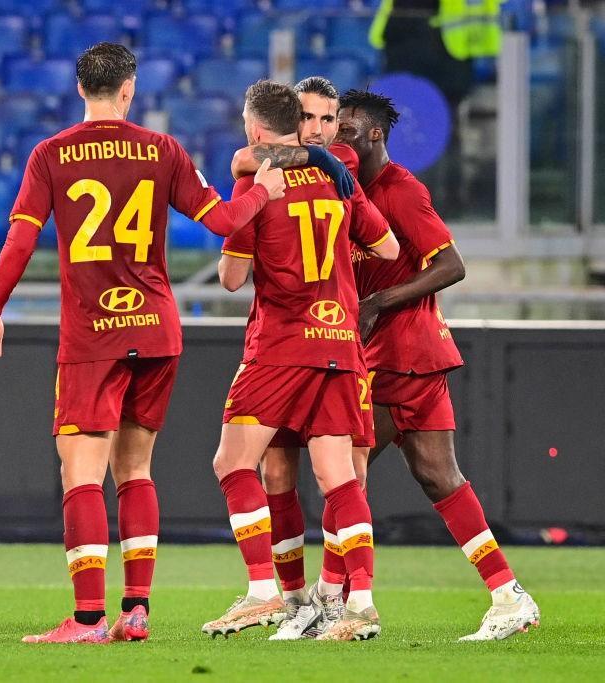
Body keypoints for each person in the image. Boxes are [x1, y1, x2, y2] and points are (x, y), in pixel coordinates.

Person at [0, 42, 290, 644]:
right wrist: (260, 193)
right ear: (128, 91)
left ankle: (89, 618)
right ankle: (136, 610)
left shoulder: (51, 154)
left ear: (79, 89)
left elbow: (19, 241)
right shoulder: (162, 149)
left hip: (93, 335)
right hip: (156, 329)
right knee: (137, 468)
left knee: (82, 476)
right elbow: (223, 222)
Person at [233, 88, 540, 641]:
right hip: (407, 353)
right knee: (437, 476)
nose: (330, 135)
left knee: (342, 472)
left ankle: (332, 603)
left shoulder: (396, 188)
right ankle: (507, 593)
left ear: (371, 134)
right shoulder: (352, 186)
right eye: (319, 123)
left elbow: (451, 264)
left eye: (340, 126)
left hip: (396, 351)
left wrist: (377, 303)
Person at [202, 80, 399, 643]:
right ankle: (359, 602)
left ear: (257, 127)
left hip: (282, 343)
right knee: (339, 477)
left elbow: (233, 278)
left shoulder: (256, 177)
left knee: (234, 463)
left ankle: (263, 592)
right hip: (340, 339)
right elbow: (387, 249)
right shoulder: (340, 177)